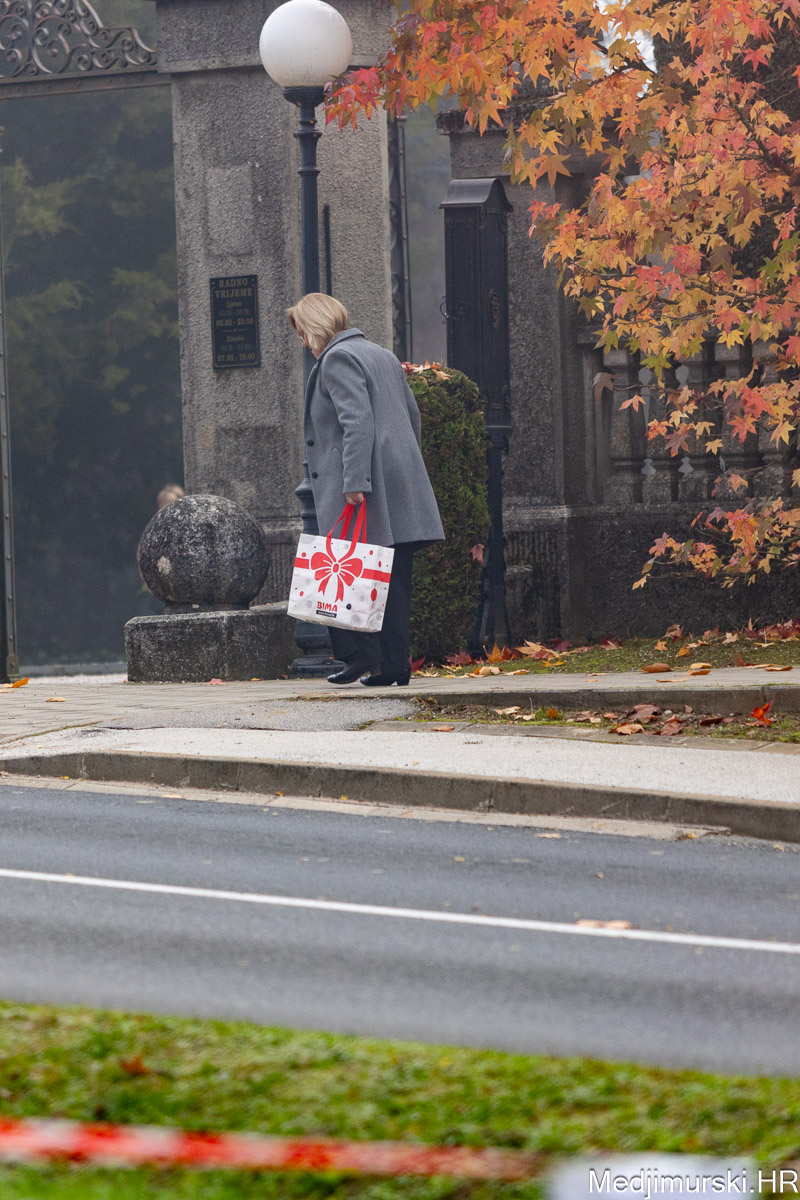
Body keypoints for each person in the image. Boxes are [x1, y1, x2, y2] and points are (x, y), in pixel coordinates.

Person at [287, 293, 444, 686]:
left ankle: (360, 656)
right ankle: (392, 665)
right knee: (391, 579)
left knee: (337, 567)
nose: (303, 341)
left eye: (303, 332)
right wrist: (404, 469)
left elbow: (356, 421)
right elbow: (411, 416)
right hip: (396, 481)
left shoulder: (337, 359)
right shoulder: (381, 355)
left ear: (316, 326)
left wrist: (355, 480)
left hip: (364, 485)